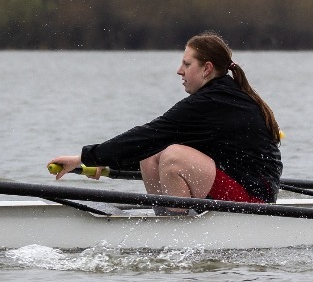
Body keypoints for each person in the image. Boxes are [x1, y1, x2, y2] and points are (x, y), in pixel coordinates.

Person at [48, 32, 283, 202]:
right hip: (234, 182)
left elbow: (151, 132)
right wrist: (104, 160)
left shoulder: (215, 100)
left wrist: (85, 157)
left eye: (187, 63)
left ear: (207, 69)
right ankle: (167, 224)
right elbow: (150, 140)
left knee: (172, 156)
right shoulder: (217, 97)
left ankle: (175, 234)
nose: (179, 71)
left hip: (256, 198)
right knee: (152, 153)